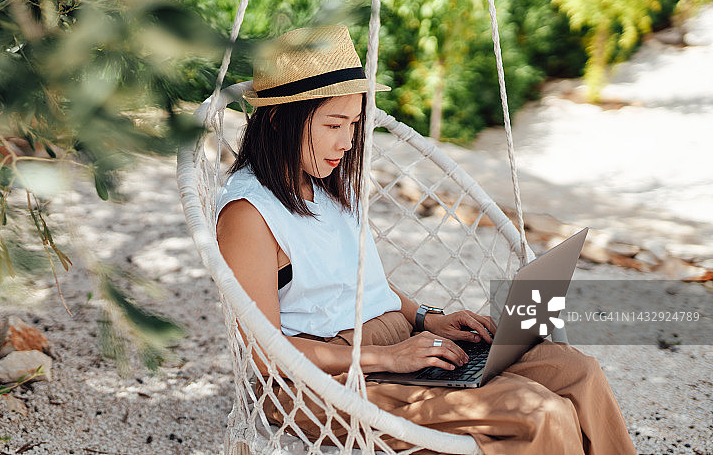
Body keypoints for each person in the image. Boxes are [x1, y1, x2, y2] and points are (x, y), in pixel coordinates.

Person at [215, 25, 636, 455]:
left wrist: (428, 318)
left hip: (395, 343)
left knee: (575, 370)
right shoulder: (249, 214)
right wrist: (389, 359)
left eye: (355, 124)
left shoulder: (323, 181)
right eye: (333, 124)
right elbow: (264, 353)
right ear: (277, 119)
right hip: (321, 379)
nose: (346, 142)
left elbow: (359, 281)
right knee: (539, 412)